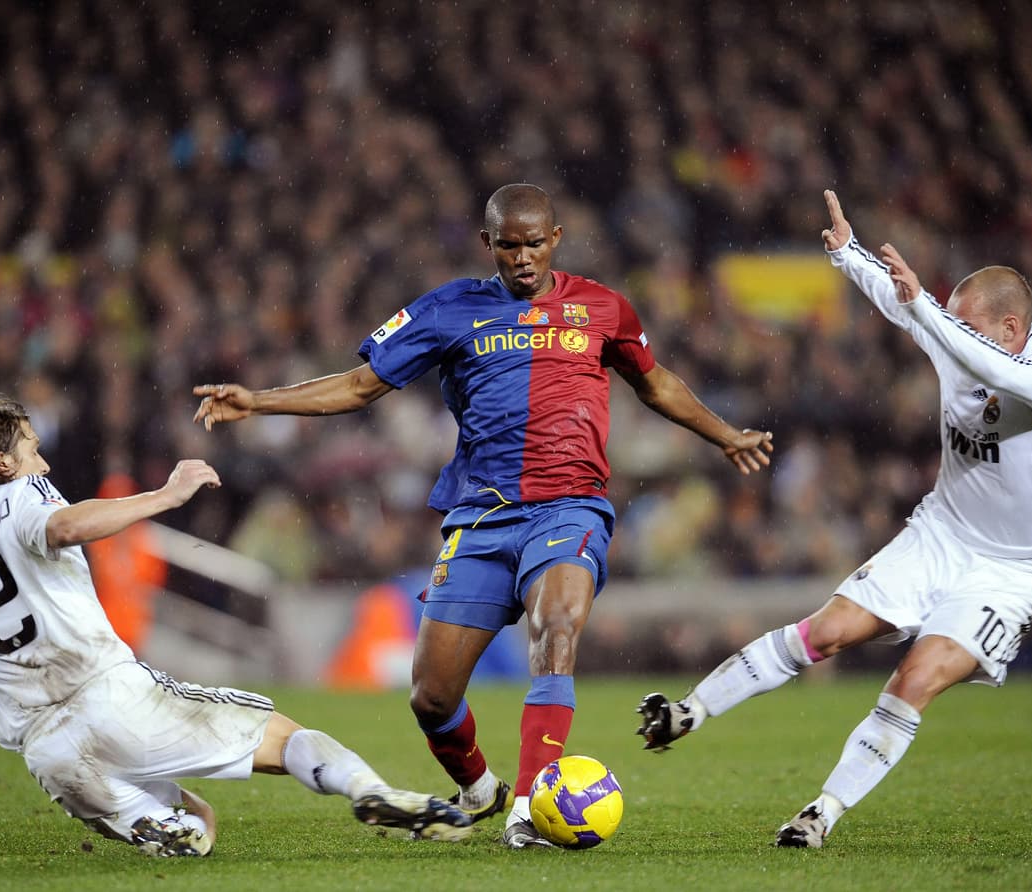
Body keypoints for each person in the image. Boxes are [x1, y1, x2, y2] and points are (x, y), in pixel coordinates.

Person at [193, 183, 774, 848]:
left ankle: (530, 807)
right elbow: (359, 387)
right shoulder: (447, 309)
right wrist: (258, 402)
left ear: (555, 239)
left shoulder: (602, 308)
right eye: (508, 245)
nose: (522, 258)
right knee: (432, 699)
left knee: (556, 630)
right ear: (487, 244)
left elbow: (656, 382)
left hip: (569, 506)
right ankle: (480, 789)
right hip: (481, 517)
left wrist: (724, 434)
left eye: (533, 244)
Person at [636, 189, 1032, 848]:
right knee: (826, 631)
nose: (954, 335)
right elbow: (910, 311)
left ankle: (819, 814)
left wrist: (925, 311)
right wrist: (850, 255)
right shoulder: (959, 337)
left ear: (1012, 330)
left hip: (1008, 573)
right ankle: (691, 710)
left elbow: (954, 341)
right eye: (954, 324)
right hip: (940, 535)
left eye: (969, 327)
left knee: (916, 677)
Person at [0, 398, 471, 857]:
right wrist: (165, 495)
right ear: (3, 464)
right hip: (110, 695)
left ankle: (152, 823)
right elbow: (60, 529)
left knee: (198, 824)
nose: (45, 463)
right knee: (288, 737)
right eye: (33, 451)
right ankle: (368, 790)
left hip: (48, 751)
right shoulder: (18, 498)